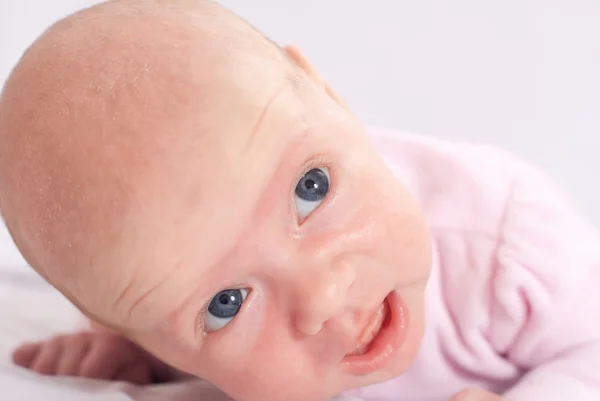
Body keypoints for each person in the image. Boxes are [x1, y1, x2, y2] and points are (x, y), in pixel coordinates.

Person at [0, 1, 598, 400]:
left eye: (311, 190)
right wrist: (129, 360)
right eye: (227, 304)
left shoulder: (506, 241)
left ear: (329, 98)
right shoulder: (153, 274)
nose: (322, 296)